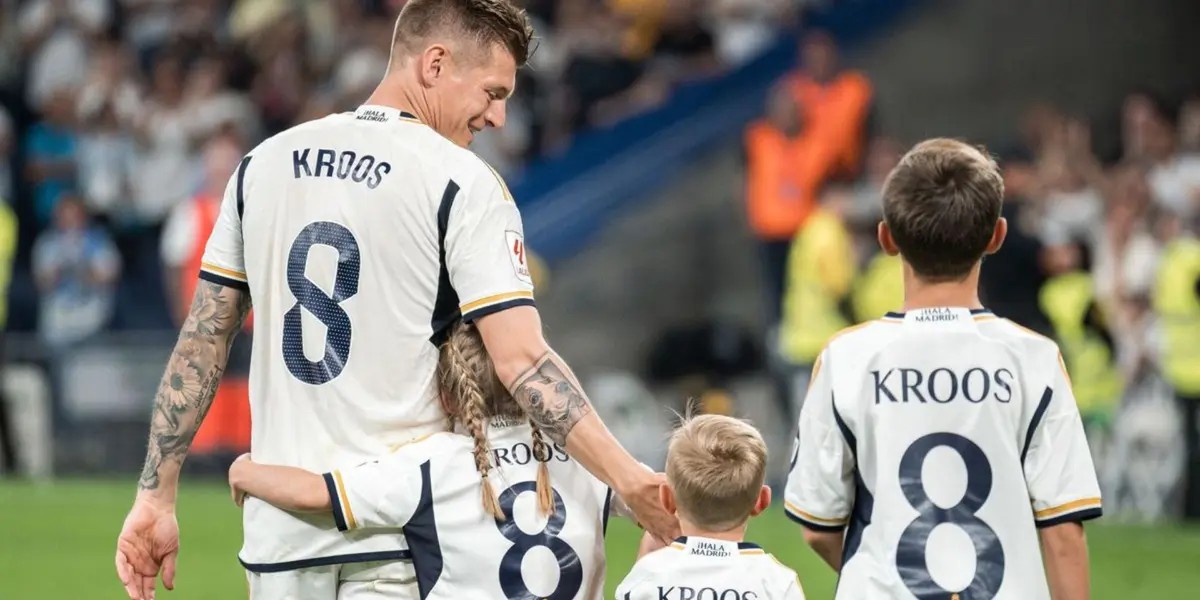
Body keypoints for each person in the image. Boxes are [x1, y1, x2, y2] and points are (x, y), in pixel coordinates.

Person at [114, 2, 676, 599]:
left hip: (279, 538)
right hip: (396, 535)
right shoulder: (461, 182)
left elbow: (204, 338)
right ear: (435, 64)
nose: (499, 117)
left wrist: (155, 494)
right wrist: (630, 478)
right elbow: (523, 363)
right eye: (491, 92)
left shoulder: (262, 165)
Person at [785, 139, 1100, 600]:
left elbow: (818, 527)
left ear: (886, 238)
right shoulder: (1035, 360)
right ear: (997, 236)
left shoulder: (845, 359)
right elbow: (1063, 533)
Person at [228, 320, 615, 599]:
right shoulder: (586, 460)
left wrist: (245, 471)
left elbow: (315, 493)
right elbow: (667, 499)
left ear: (447, 397)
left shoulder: (435, 465)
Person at [616, 414, 805, 600]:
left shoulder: (647, 576)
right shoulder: (778, 583)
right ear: (761, 501)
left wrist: (645, 560)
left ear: (666, 498)